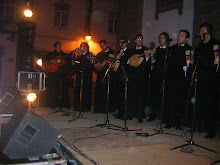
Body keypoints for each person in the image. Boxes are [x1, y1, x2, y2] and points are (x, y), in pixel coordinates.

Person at [164, 30, 193, 130]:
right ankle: (168, 121)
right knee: (170, 100)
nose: (179, 37)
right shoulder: (172, 48)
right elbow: (168, 62)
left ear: (187, 39)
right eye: (179, 35)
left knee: (179, 101)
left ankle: (178, 122)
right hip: (171, 78)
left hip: (181, 80)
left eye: (182, 36)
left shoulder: (189, 49)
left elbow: (190, 64)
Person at [194, 23, 219, 139]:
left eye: (201, 31)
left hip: (211, 79)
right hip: (201, 78)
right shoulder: (199, 47)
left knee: (210, 105)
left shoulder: (215, 45)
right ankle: (200, 126)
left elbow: (214, 62)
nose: (199, 34)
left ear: (207, 33)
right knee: (200, 103)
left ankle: (211, 130)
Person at [127, 34, 151, 123]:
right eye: (138, 39)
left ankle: (140, 116)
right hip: (132, 77)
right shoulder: (131, 50)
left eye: (141, 39)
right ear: (135, 41)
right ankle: (130, 114)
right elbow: (127, 62)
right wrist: (130, 60)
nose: (139, 40)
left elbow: (149, 64)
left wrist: (147, 57)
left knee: (140, 97)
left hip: (142, 77)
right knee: (131, 96)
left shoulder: (146, 50)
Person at [147, 32, 171, 122]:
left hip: (164, 75)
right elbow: (152, 62)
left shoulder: (169, 50)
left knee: (163, 95)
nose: (161, 39)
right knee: (153, 95)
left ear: (166, 39)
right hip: (155, 75)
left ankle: (162, 114)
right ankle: (153, 114)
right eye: (160, 38)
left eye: (163, 38)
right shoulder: (156, 50)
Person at [72, 42, 95, 112]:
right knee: (78, 90)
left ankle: (85, 107)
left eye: (82, 46)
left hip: (86, 77)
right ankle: (77, 106)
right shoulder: (79, 56)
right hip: (79, 76)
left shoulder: (90, 55)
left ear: (86, 47)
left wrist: (81, 55)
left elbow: (89, 64)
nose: (80, 48)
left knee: (85, 92)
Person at [93, 40, 115, 113]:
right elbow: (95, 65)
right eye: (101, 46)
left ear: (106, 44)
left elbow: (114, 62)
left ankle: (107, 109)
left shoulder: (112, 52)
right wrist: (96, 65)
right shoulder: (99, 54)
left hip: (109, 75)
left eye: (103, 45)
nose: (103, 47)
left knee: (107, 92)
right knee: (99, 91)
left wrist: (109, 62)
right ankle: (98, 108)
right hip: (100, 76)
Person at [112, 37, 131, 119]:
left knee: (124, 95)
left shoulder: (129, 51)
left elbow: (127, 62)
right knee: (118, 95)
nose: (120, 44)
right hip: (117, 75)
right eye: (119, 43)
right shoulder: (118, 52)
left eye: (122, 42)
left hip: (124, 75)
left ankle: (124, 113)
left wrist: (120, 58)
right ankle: (119, 112)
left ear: (126, 43)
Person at [44, 41, 67, 109]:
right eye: (58, 45)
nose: (59, 47)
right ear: (55, 47)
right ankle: (51, 104)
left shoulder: (63, 54)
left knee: (61, 89)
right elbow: (45, 61)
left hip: (61, 74)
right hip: (53, 74)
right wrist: (51, 61)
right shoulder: (51, 54)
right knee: (52, 88)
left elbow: (66, 63)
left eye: (60, 45)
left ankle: (61, 104)